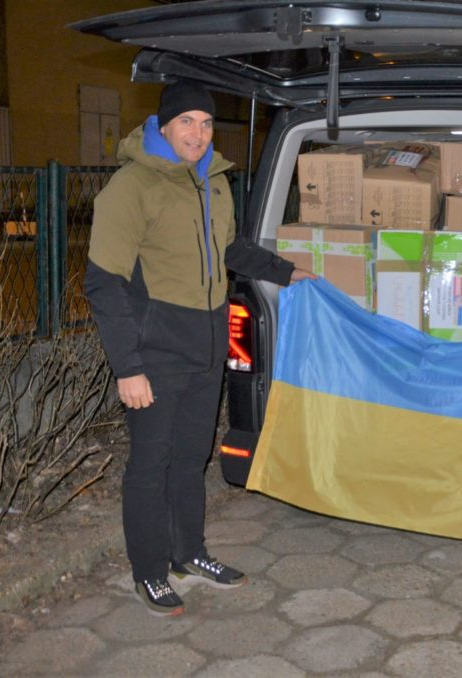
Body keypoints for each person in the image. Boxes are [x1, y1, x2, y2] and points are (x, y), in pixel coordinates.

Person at [85, 79, 313, 617]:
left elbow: (228, 247)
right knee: (150, 464)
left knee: (191, 459)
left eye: (207, 122)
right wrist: (128, 367)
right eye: (186, 121)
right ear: (163, 126)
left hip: (206, 344)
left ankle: (188, 553)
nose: (198, 132)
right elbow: (103, 281)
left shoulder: (213, 181)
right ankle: (148, 571)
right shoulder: (131, 186)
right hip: (155, 350)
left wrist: (285, 271)